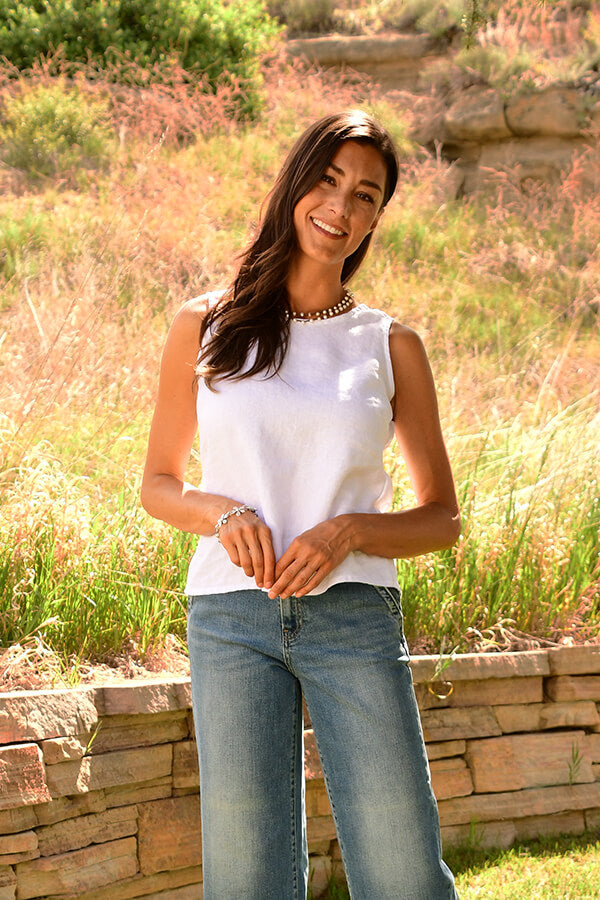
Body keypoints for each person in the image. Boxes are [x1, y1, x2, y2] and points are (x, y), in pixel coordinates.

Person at [141, 109, 460, 900]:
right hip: (231, 618)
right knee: (247, 883)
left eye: (366, 195)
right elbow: (158, 483)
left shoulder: (390, 344)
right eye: (328, 182)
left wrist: (349, 530)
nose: (341, 208)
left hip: (354, 613)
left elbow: (441, 516)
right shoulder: (204, 324)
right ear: (295, 185)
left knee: (404, 876)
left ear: (376, 218)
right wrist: (224, 513)